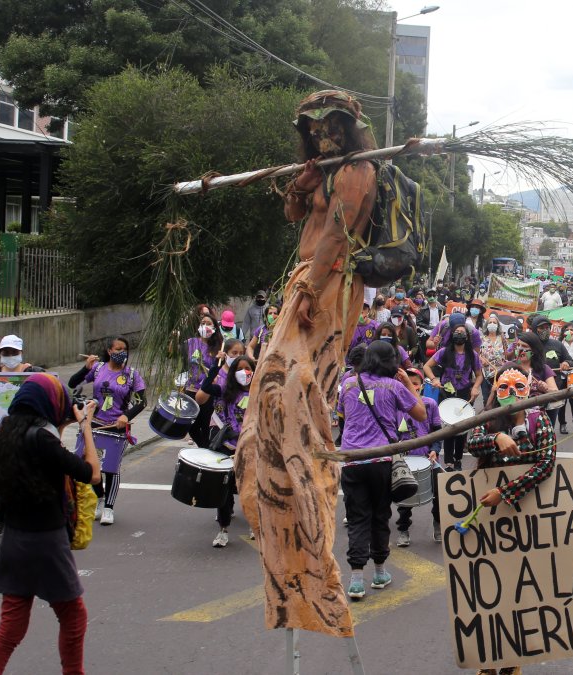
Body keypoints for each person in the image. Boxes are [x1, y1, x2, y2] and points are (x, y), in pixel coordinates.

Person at [235, 90, 381, 636]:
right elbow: (296, 215)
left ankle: (308, 484)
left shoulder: (359, 170)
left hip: (331, 283)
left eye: (331, 128)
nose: (324, 136)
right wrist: (301, 184)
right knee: (271, 389)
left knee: (293, 383)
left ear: (347, 126)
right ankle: (275, 480)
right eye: (315, 130)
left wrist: (312, 288)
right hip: (305, 280)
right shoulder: (325, 169)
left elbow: (338, 232)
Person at [0, 374, 99, 675]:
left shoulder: (6, 435)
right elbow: (92, 473)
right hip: (47, 542)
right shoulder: (43, 441)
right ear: (48, 403)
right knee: (73, 617)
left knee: (10, 630)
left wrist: (63, 424)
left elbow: (44, 454)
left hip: (14, 542)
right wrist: (85, 425)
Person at [337, 341, 426, 600]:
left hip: (352, 460)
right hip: (381, 461)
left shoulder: (349, 384)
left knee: (357, 519)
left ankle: (355, 580)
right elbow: (421, 414)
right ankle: (379, 572)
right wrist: (408, 383)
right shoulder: (394, 386)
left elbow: (342, 414)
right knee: (380, 516)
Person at [67, 336, 147, 527]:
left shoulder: (132, 375)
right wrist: (85, 368)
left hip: (116, 427)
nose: (122, 353)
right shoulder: (98, 368)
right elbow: (72, 383)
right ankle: (100, 498)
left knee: (111, 468)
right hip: (94, 424)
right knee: (90, 465)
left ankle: (109, 507)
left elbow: (142, 402)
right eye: (118, 349)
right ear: (109, 351)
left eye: (124, 349)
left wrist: (126, 416)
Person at [466, 367, 557, 508]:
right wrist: (496, 438)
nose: (512, 391)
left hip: (532, 501)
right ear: (497, 391)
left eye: (519, 386)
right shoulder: (488, 418)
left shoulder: (539, 418)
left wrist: (505, 492)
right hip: (491, 497)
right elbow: (472, 444)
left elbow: (547, 463)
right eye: (504, 386)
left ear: (527, 389)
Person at [423, 315, 483, 471]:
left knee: (462, 428)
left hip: (464, 394)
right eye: (457, 332)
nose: (459, 334)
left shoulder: (473, 355)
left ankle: (458, 460)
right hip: (446, 393)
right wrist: (434, 380)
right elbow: (427, 366)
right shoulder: (443, 352)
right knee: (448, 427)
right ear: (452, 334)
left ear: (467, 337)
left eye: (462, 332)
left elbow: (479, 375)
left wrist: (475, 387)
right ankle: (448, 462)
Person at [394, 368, 443, 546]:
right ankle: (403, 529)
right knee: (404, 498)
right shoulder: (395, 405)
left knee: (438, 495)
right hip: (405, 460)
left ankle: (438, 525)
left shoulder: (430, 404)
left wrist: (435, 449)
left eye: (415, 383)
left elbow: (437, 432)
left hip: (428, 459)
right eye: (406, 382)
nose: (411, 386)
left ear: (421, 386)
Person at [209, 355, 254, 548]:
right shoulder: (225, 392)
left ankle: (254, 525)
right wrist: (215, 366)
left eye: (248, 368)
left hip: (252, 448)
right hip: (229, 447)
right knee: (224, 491)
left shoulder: (260, 393)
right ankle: (223, 530)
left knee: (251, 490)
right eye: (239, 369)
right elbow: (206, 388)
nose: (244, 372)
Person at [183, 314, 222, 448]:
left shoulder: (219, 347)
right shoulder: (190, 342)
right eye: (203, 323)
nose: (205, 326)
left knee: (205, 424)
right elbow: (171, 354)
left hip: (207, 391)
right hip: (191, 388)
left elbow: (221, 369)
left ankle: (206, 449)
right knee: (191, 425)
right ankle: (203, 447)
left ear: (215, 327)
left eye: (209, 323)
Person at [529, 315, 573, 431]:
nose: (545, 330)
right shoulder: (529, 345)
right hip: (532, 395)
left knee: (550, 427)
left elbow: (570, 361)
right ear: (534, 329)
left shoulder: (557, 345)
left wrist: (566, 363)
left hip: (553, 393)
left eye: (547, 327)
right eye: (541, 328)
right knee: (532, 427)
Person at [478, 317, 508, 407]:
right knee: (486, 398)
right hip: (485, 374)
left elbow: (507, 355)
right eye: (490, 322)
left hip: (500, 373)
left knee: (498, 397)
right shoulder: (481, 339)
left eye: (494, 323)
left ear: (498, 326)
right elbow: (476, 354)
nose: (492, 324)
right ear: (486, 325)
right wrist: (481, 359)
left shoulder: (502, 338)